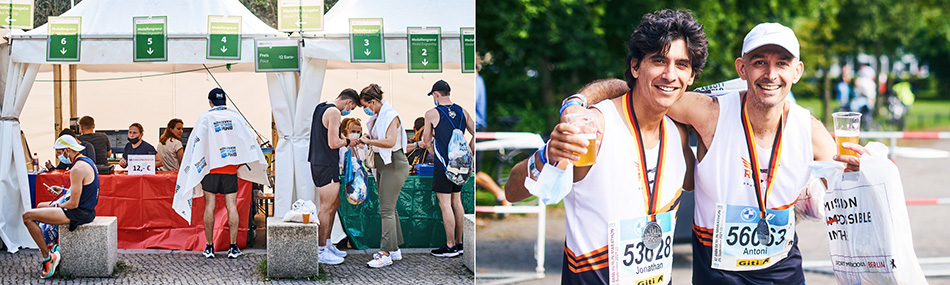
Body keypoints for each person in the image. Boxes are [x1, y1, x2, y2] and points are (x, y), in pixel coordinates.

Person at [553, 22, 865, 284]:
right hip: (717, 277)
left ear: (797, 71)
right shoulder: (709, 113)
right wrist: (576, 102)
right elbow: (633, 90)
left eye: (782, 63)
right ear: (742, 69)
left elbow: (846, 197)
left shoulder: (808, 128)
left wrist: (856, 173)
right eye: (759, 62)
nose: (770, 74)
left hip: (783, 273)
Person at [505, 10, 702, 283]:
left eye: (681, 64)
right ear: (635, 66)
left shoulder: (678, 132)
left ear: (691, 76)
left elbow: (693, 183)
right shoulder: (596, 126)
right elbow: (513, 191)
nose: (670, 74)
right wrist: (548, 154)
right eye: (658, 61)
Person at [22, 135, 99, 279]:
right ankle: (52, 245)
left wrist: (55, 205)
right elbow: (84, 191)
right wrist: (63, 192)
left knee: (27, 216)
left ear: (67, 150)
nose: (58, 156)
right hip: (86, 210)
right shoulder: (86, 162)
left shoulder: (77, 168)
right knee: (39, 206)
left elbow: (73, 204)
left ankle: (47, 257)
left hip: (78, 213)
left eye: (59, 152)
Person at [421, 80, 475, 258]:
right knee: (456, 202)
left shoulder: (432, 113)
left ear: (436, 94)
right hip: (461, 165)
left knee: (445, 204)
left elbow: (426, 141)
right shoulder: (462, 111)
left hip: (443, 165)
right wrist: (469, 151)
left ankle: (450, 245)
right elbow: (477, 133)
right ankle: (460, 243)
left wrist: (433, 153)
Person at [356, 83, 408, 268]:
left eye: (365, 106)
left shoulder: (390, 115)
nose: (365, 110)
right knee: (389, 209)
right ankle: (394, 249)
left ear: (372, 102)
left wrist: (369, 140)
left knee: (386, 210)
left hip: (393, 163)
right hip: (385, 164)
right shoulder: (380, 116)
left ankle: (385, 252)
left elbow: (390, 141)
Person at [308, 88, 360, 265]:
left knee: (334, 203)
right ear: (349, 103)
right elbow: (333, 143)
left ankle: (328, 243)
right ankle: (321, 249)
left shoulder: (321, 107)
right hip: (326, 163)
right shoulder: (334, 112)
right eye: (351, 108)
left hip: (320, 161)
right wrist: (348, 141)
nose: (349, 112)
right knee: (326, 208)